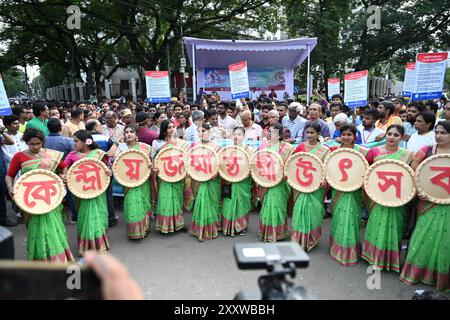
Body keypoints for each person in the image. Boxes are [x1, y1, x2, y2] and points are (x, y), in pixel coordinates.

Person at [5, 128, 74, 262]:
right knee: (36, 228)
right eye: (31, 144)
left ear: (42, 142)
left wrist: (63, 176)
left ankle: (58, 259)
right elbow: (9, 175)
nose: (35, 147)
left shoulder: (52, 155)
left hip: (51, 198)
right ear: (26, 143)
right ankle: (40, 259)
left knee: (55, 226)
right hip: (31, 200)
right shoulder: (19, 156)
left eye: (38, 143)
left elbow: (64, 166)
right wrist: (10, 186)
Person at [399, 120, 450, 292]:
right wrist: (418, 190)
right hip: (426, 201)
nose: (439, 136)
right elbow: (412, 173)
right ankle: (416, 273)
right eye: (437, 132)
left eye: (443, 133)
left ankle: (439, 277)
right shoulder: (426, 151)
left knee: (445, 240)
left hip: (447, 204)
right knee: (422, 234)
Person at [362, 125, 415, 272]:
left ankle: (390, 259)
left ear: (402, 137)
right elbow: (366, 171)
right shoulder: (374, 151)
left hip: (398, 198)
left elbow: (411, 177)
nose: (391, 137)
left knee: (395, 226)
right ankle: (372, 257)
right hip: (377, 196)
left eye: (396, 135)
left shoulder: (408, 155)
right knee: (375, 224)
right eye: (389, 134)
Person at [64, 130, 111, 255]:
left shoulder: (99, 154)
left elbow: (106, 169)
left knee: (98, 214)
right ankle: (87, 245)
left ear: (85, 142)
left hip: (97, 190)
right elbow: (64, 169)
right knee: (84, 216)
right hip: (81, 193)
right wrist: (64, 176)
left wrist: (108, 172)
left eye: (76, 141)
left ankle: (99, 243)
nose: (74, 143)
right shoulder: (72, 155)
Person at [328, 124, 369, 266]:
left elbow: (368, 171)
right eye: (343, 134)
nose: (346, 137)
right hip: (338, 188)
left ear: (355, 137)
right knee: (339, 217)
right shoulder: (333, 151)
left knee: (351, 217)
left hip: (354, 191)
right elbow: (329, 169)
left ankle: (350, 250)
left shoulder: (362, 152)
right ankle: (337, 247)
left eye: (349, 135)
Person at [290, 123, 330, 250]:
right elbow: (293, 163)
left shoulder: (325, 150)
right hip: (300, 185)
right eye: (307, 133)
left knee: (314, 212)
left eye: (312, 133)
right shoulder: (300, 147)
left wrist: (324, 180)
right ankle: (297, 239)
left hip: (316, 186)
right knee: (299, 211)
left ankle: (311, 239)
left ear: (319, 134)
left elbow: (327, 169)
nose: (309, 135)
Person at [257, 123, 295, 242]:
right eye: (269, 131)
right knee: (267, 205)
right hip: (266, 180)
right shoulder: (263, 146)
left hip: (280, 183)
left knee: (277, 205)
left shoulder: (288, 148)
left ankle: (278, 233)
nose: (270, 134)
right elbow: (258, 163)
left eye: (273, 132)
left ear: (280, 135)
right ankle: (266, 231)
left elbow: (291, 165)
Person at [115, 124, 152, 239]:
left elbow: (150, 163)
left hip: (143, 180)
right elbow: (117, 165)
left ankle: (144, 228)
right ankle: (134, 231)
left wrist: (151, 166)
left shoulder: (145, 147)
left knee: (143, 203)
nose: (129, 134)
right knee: (131, 204)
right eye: (126, 132)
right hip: (128, 181)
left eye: (131, 132)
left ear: (136, 135)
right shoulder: (121, 148)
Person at [151, 120, 188, 234]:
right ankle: (165, 225)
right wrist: (154, 168)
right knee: (165, 198)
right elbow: (153, 158)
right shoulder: (157, 143)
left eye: (173, 127)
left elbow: (185, 158)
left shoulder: (180, 142)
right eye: (169, 127)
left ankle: (178, 224)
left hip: (177, 174)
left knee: (177, 198)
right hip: (163, 174)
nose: (172, 129)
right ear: (164, 130)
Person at [189, 124, 221, 241]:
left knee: (211, 202)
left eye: (204, 131)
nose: (201, 133)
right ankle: (200, 228)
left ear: (209, 132)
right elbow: (189, 161)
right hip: (199, 179)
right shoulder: (194, 146)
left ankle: (212, 227)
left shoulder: (216, 147)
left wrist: (216, 172)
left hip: (212, 179)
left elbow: (220, 163)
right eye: (199, 131)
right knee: (201, 201)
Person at [221, 126, 255, 236]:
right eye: (234, 134)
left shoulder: (249, 150)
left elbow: (253, 166)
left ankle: (241, 226)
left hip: (243, 182)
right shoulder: (228, 149)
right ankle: (227, 226)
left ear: (244, 136)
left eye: (239, 134)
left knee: (242, 203)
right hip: (229, 181)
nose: (236, 137)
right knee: (228, 202)